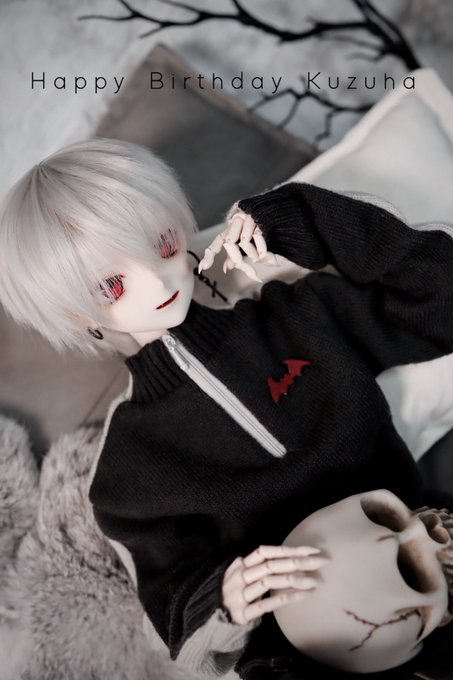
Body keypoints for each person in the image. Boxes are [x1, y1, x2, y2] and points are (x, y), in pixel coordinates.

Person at [1, 137, 453, 679]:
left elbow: (439, 299)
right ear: (79, 317)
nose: (157, 279)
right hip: (303, 654)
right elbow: (179, 624)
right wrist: (225, 600)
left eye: (163, 244)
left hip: (428, 557)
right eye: (112, 285)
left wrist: (300, 220)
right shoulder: (128, 468)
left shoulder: (299, 319)